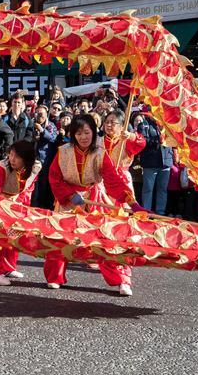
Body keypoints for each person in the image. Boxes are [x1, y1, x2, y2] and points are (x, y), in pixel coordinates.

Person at [46, 114, 140, 296]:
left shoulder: (100, 153)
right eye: (79, 133)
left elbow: (113, 181)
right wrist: (69, 195)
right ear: (73, 134)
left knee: (107, 239)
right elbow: (54, 178)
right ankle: (54, 277)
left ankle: (122, 279)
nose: (83, 137)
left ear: (93, 133)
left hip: (94, 197)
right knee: (60, 238)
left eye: (87, 132)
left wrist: (131, 202)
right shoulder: (62, 151)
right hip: (68, 200)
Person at [0, 140, 41, 285]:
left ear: (27, 159)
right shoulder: (2, 168)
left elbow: (28, 190)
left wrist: (22, 209)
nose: (12, 159)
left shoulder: (34, 168)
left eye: (17, 157)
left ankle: (8, 267)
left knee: (14, 235)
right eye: (11, 154)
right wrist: (1, 209)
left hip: (15, 203)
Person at [136, 115, 173, 214]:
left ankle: (160, 212)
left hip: (166, 162)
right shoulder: (144, 125)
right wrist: (157, 140)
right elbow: (141, 142)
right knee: (148, 189)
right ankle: (146, 212)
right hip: (150, 163)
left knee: (163, 189)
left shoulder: (168, 123)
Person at [102, 110, 145, 192]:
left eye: (113, 123)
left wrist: (131, 136)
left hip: (121, 180)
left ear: (122, 126)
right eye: (106, 122)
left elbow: (142, 143)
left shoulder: (126, 140)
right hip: (103, 180)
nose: (108, 125)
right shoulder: (99, 141)